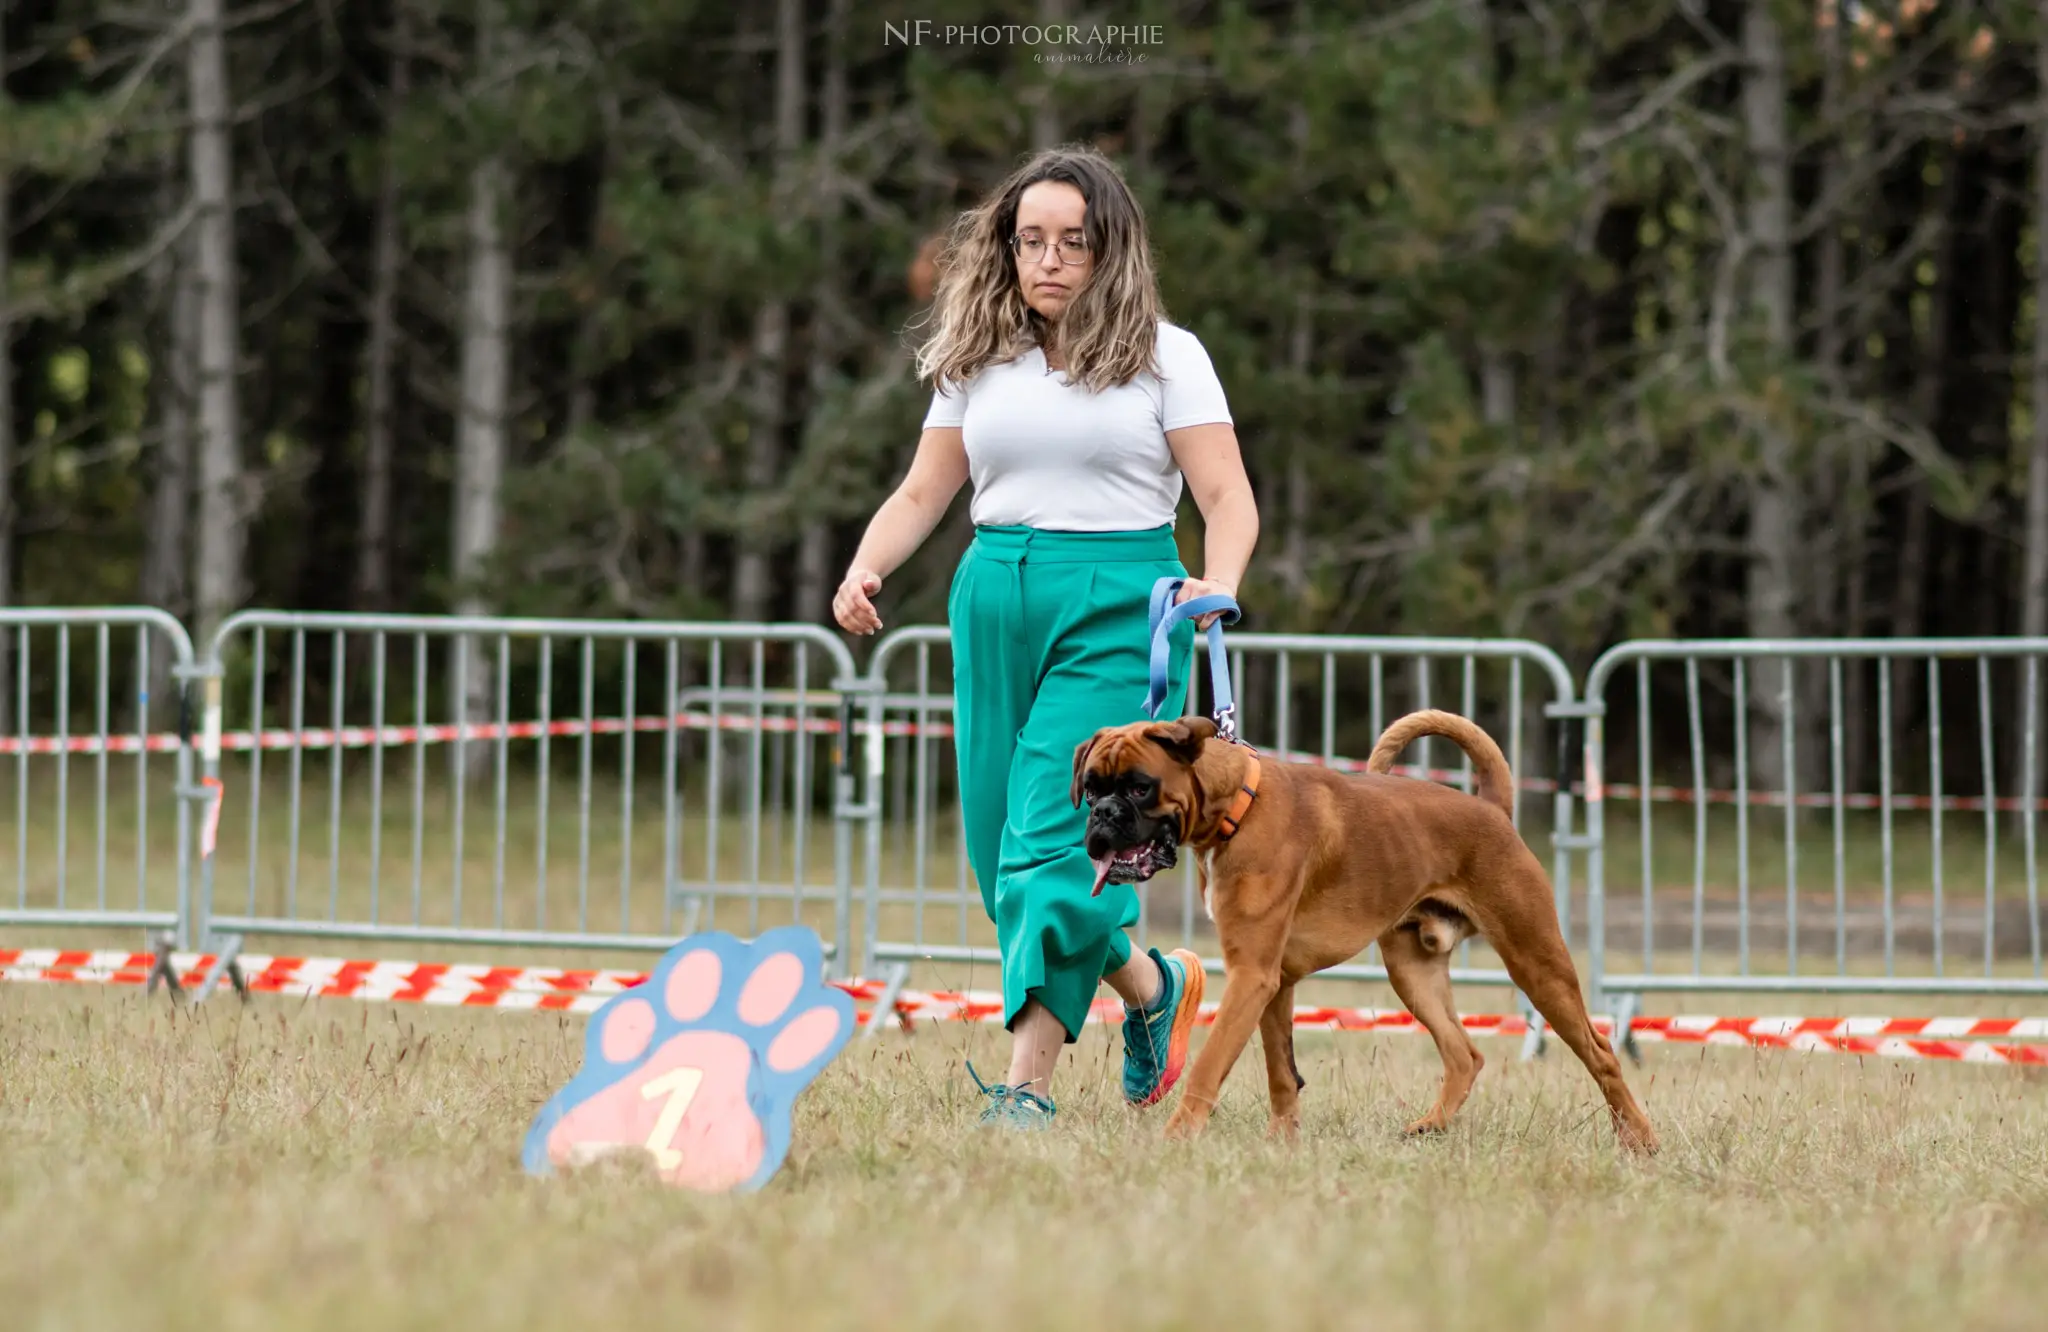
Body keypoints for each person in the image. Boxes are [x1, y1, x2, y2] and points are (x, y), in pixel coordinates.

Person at [832, 145, 1259, 1128]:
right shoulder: (977, 356)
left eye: (1073, 241)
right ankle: (1153, 990)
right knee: (1000, 862)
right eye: (1031, 241)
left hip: (1117, 602)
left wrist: (1218, 585)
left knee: (1054, 850)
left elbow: (1227, 495)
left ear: (1111, 251)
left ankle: (1023, 1092)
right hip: (992, 596)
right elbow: (921, 491)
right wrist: (866, 567)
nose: (1050, 260)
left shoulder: (1165, 354)